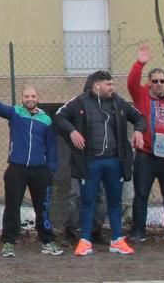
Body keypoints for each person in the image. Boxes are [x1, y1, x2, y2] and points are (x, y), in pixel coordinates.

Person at [54, 68, 146, 257]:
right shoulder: (79, 102)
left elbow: (139, 117)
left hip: (114, 161)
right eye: (108, 84)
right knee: (87, 201)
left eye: (112, 84)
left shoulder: (119, 103)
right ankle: (85, 240)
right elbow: (59, 116)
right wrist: (72, 131)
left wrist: (138, 130)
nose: (112, 87)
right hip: (89, 162)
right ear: (97, 85)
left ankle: (117, 240)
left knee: (115, 201)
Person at [0, 86, 62, 256]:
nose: (30, 99)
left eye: (33, 96)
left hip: (40, 170)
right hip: (17, 168)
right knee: (12, 206)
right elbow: (0, 108)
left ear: (37, 98)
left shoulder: (46, 119)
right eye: (26, 96)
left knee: (43, 208)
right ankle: (9, 243)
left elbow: (51, 146)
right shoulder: (16, 113)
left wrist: (51, 169)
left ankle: (48, 241)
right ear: (22, 98)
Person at [127, 42, 164, 242]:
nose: (159, 84)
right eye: (155, 81)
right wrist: (139, 63)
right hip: (145, 155)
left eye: (162, 80)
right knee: (142, 194)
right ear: (149, 83)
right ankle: (138, 231)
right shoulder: (141, 95)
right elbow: (131, 83)